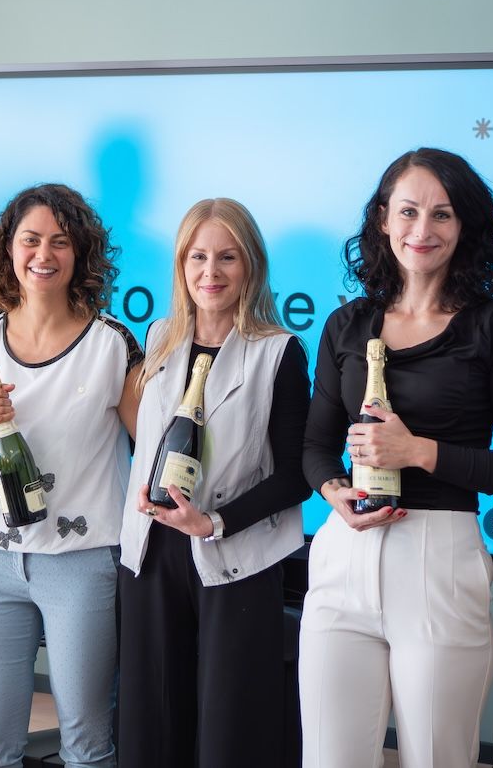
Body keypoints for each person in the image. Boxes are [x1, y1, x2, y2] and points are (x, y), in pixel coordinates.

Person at [298, 148, 493, 767]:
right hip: (342, 558)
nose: (422, 230)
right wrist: (334, 492)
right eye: (408, 212)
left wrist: (419, 451)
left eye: (442, 215)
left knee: (437, 758)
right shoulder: (347, 324)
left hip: (439, 559)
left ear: (465, 226)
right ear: (383, 219)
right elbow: (313, 448)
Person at [0, 183, 140, 768]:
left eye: (60, 242)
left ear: (80, 254)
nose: (43, 254)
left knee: (86, 742)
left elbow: (153, 451)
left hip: (83, 561)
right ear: (8, 250)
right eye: (29, 240)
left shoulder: (112, 345)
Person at [117, 198, 311, 768]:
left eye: (227, 257)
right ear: (180, 266)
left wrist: (216, 522)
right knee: (152, 723)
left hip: (234, 556)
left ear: (250, 265)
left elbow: (296, 473)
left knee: (231, 729)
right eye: (197, 257)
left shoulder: (280, 352)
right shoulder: (159, 338)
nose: (211, 272)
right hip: (152, 553)